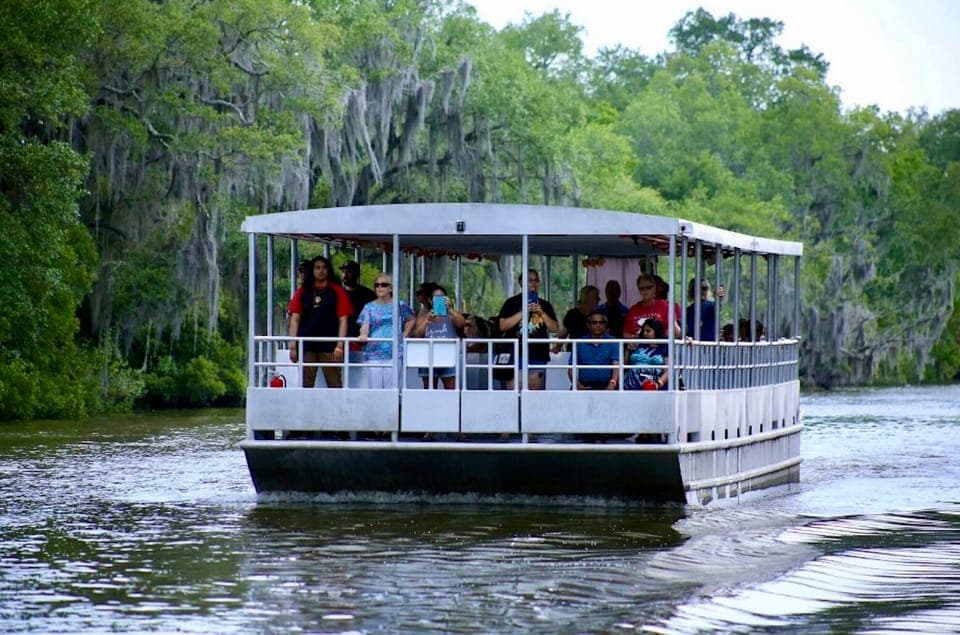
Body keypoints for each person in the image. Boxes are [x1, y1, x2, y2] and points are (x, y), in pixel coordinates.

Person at [287, 255, 352, 388]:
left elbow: (343, 319)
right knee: (306, 384)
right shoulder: (302, 292)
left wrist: (339, 346)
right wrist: (293, 346)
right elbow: (295, 319)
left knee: (334, 383)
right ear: (312, 270)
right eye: (317, 268)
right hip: (307, 345)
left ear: (328, 270)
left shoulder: (337, 291)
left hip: (330, 346)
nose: (321, 271)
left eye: (324, 268)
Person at [496, 269, 559, 389]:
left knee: (535, 391)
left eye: (536, 280)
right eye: (530, 280)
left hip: (538, 354)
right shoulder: (511, 303)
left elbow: (554, 328)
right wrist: (524, 312)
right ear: (521, 282)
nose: (533, 283)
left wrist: (542, 313)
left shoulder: (545, 305)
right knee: (514, 389)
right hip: (515, 353)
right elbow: (503, 326)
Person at [356, 273, 415, 389]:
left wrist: (405, 333)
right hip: (373, 352)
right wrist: (363, 334)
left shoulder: (400, 305)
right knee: (375, 389)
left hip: (394, 352)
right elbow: (365, 324)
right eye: (377, 285)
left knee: (391, 389)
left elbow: (411, 319)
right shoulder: (369, 307)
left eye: (383, 285)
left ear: (390, 288)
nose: (379, 287)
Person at [412, 283, 465, 389]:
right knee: (429, 390)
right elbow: (416, 335)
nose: (439, 300)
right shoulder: (424, 315)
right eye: (436, 298)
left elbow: (462, 324)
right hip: (428, 357)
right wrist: (427, 320)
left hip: (448, 356)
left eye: (442, 297)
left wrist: (450, 309)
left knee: (451, 389)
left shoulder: (452, 315)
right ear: (430, 300)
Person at [569, 311, 620, 390]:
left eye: (601, 323)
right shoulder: (579, 342)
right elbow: (571, 368)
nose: (598, 325)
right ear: (588, 325)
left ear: (605, 325)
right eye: (594, 322)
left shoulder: (613, 341)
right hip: (584, 386)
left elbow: (617, 366)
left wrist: (612, 383)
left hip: (608, 386)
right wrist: (578, 385)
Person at [624, 273, 681, 339]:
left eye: (648, 287)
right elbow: (626, 333)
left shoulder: (665, 306)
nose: (645, 290)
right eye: (641, 288)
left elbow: (675, 329)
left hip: (660, 344)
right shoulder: (633, 309)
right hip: (639, 344)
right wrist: (636, 338)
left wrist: (658, 335)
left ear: (655, 288)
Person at [624, 318, 669, 390]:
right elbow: (624, 365)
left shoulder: (665, 346)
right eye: (643, 331)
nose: (644, 333)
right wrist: (627, 350)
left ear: (656, 332)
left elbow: (668, 370)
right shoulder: (637, 343)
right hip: (630, 383)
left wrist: (658, 384)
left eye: (648, 331)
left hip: (652, 385)